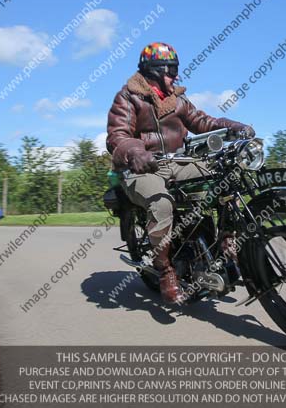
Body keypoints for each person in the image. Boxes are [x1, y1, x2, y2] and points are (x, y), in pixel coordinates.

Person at [106, 42, 254, 304]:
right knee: (161, 203)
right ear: (153, 71)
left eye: (176, 69)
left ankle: (223, 243)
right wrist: (135, 151)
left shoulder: (178, 100)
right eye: (170, 69)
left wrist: (231, 127)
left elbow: (202, 122)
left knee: (225, 179)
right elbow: (118, 135)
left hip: (180, 162)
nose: (175, 75)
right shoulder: (128, 97)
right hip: (142, 166)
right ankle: (165, 271)